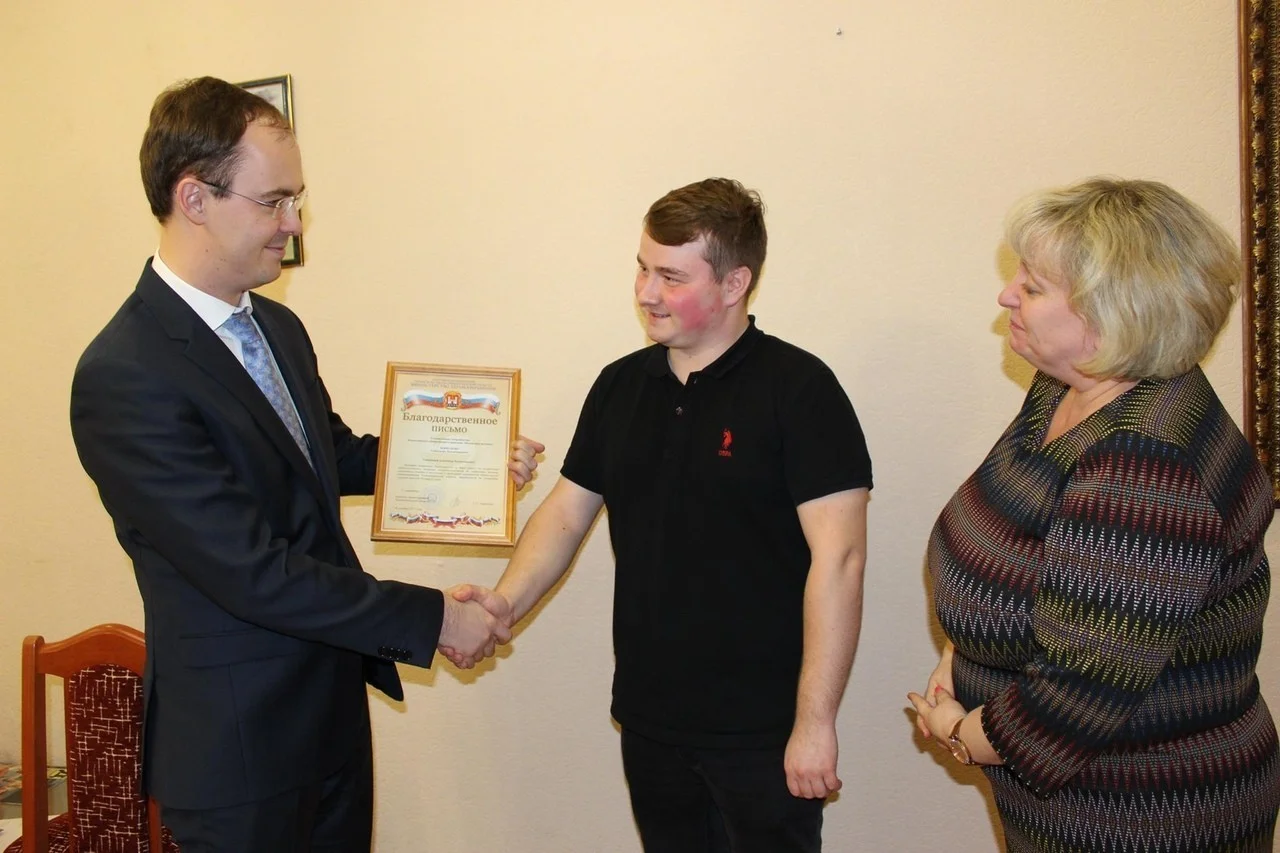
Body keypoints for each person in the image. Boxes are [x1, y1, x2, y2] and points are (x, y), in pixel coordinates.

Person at [69, 76, 528, 852]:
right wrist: (433, 617)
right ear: (194, 198)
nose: (294, 223)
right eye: (275, 201)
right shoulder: (126, 374)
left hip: (330, 721)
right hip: (240, 756)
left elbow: (328, 455)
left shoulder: (277, 328)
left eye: (298, 199)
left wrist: (470, 460)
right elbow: (253, 572)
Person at [448, 178, 873, 852]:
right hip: (651, 720)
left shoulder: (800, 390)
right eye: (643, 269)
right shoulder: (620, 385)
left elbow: (840, 561)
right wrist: (502, 605)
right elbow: (565, 516)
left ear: (734, 284)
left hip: (762, 730)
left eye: (671, 277)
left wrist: (815, 722)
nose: (646, 292)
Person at [907, 177, 1280, 852]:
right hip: (1076, 800)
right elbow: (1011, 540)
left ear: (1114, 316)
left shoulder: (1144, 465)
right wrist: (959, 654)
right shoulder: (1065, 391)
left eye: (1034, 286)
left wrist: (958, 729)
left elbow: (1077, 696)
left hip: (1143, 813)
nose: (1007, 294)